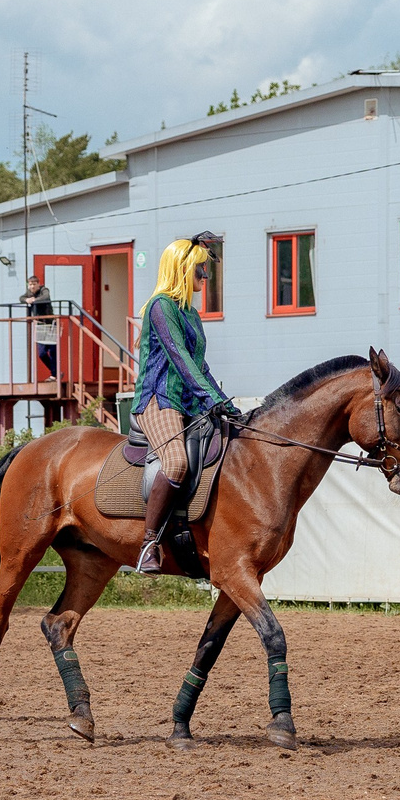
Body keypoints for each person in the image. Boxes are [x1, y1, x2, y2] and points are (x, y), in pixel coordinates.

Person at [131, 233, 240, 575]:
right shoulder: (161, 307)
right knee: (176, 462)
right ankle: (149, 543)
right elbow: (179, 359)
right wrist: (209, 399)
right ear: (181, 268)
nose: (204, 277)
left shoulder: (191, 314)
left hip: (191, 404)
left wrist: (224, 405)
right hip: (158, 399)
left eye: (205, 270)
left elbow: (200, 366)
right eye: (199, 269)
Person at [25, 275, 58, 380]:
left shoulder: (44, 290)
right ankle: (55, 372)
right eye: (30, 284)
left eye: (34, 284)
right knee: (42, 353)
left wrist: (33, 300)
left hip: (50, 324)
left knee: (52, 351)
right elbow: (21, 298)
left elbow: (45, 297)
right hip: (40, 326)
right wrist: (27, 300)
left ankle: (54, 375)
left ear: (38, 284)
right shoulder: (29, 293)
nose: (32, 287)